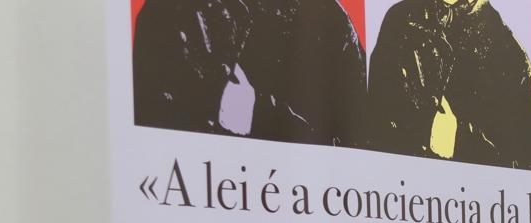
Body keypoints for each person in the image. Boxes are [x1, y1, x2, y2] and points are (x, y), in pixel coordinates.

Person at [133, 0, 369, 147]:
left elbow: (355, 142)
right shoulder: (176, 12)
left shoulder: (332, 18)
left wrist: (255, 111)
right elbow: (151, 124)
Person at [368, 0, 531, 167]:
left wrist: (459, 139)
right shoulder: (400, 20)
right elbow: (376, 124)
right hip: (399, 187)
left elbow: (524, 162)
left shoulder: (509, 54)